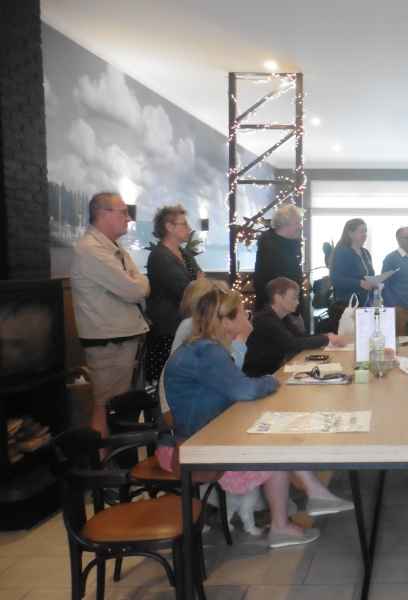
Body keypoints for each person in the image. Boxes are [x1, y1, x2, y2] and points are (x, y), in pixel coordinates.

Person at [162, 287, 353, 548]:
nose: (247, 317)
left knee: (276, 431)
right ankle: (285, 523)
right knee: (273, 445)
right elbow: (244, 389)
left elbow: (234, 386)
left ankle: (312, 495)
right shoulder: (207, 352)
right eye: (242, 313)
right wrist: (270, 382)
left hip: (202, 434)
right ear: (226, 321)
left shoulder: (201, 348)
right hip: (195, 446)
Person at [70, 191, 149, 439]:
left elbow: (139, 282)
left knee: (117, 406)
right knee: (105, 407)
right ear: (102, 213)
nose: (128, 218)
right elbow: (135, 290)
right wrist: (139, 283)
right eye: (123, 212)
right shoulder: (91, 250)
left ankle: (115, 455)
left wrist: (138, 283)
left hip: (119, 337)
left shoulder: (114, 248)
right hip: (108, 341)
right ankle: (103, 459)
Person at [145, 205, 203, 384]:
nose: (189, 229)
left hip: (186, 325)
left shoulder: (184, 253)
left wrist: (198, 285)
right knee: (168, 381)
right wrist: (198, 285)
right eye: (184, 224)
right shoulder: (160, 256)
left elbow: (201, 281)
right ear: (169, 227)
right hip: (167, 329)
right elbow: (185, 290)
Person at [244, 277, 347, 377]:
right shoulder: (265, 320)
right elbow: (292, 344)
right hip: (260, 376)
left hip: (274, 371)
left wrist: (326, 336)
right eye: (294, 298)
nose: (297, 302)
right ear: (278, 298)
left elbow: (301, 336)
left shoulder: (283, 317)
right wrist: (326, 339)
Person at [252, 204, 303, 310]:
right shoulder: (270, 249)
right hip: (277, 311)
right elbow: (267, 286)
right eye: (297, 223)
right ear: (285, 225)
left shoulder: (288, 245)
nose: (300, 226)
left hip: (287, 309)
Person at [329, 218, 376, 322]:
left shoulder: (366, 253)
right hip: (348, 306)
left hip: (366, 305)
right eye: (361, 231)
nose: (365, 234)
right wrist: (360, 283)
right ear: (350, 233)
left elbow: (370, 275)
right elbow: (335, 279)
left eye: (365, 231)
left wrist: (375, 283)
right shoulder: (342, 252)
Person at [381, 226, 408, 336]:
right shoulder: (390, 259)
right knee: (397, 344)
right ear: (399, 239)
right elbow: (384, 285)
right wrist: (393, 307)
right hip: (398, 311)